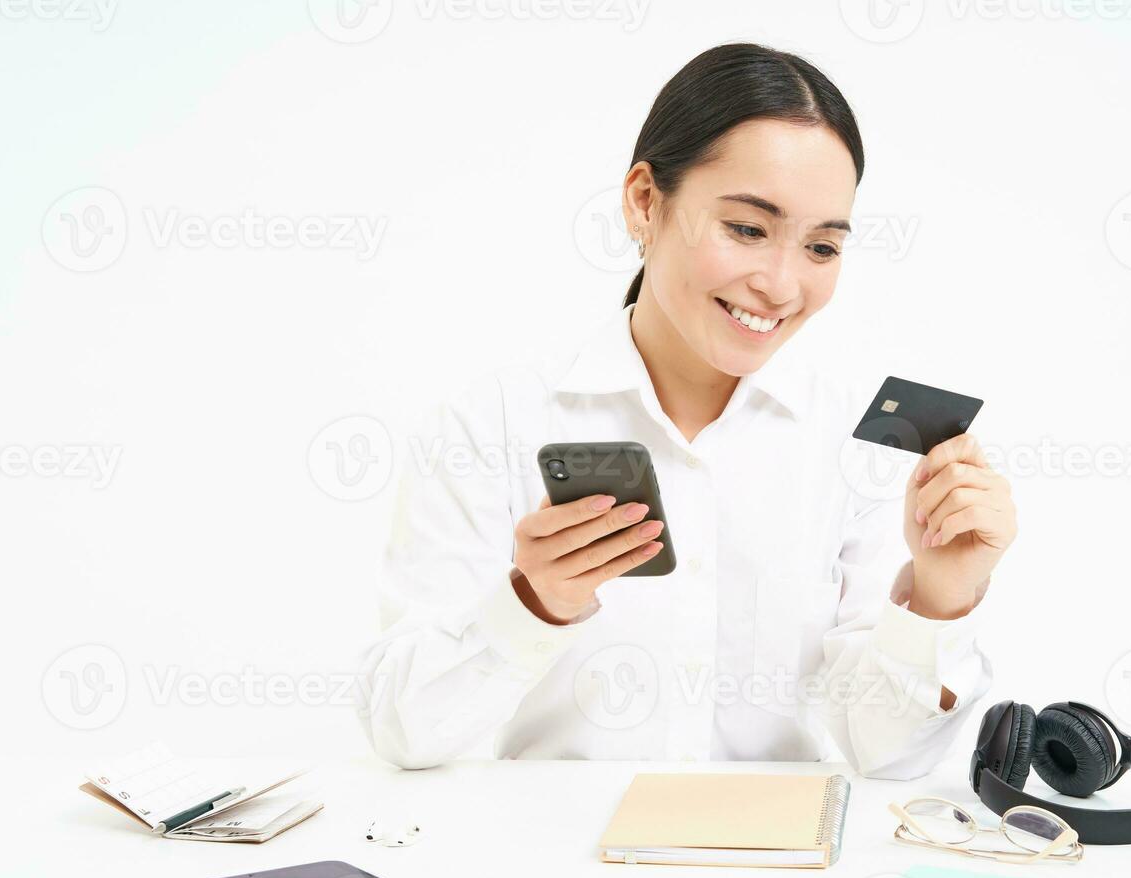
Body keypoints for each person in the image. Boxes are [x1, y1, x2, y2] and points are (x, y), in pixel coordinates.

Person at [356, 42, 1017, 778]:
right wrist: (533, 602)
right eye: (747, 229)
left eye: (822, 247)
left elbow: (884, 756)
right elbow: (403, 732)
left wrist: (939, 597)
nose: (780, 283)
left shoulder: (859, 445)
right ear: (645, 200)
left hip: (771, 876)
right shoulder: (492, 424)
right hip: (555, 875)